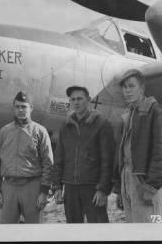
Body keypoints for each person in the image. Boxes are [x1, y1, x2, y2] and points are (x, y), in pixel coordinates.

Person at [112, 69, 162, 223]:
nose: (127, 91)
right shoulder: (129, 114)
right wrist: (120, 189)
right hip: (127, 179)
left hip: (144, 183)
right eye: (124, 87)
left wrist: (151, 186)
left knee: (149, 230)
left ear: (142, 88)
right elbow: (121, 154)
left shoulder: (155, 111)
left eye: (131, 86)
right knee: (133, 228)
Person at [53, 86, 115, 223]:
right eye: (73, 99)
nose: (76, 102)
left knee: (98, 228)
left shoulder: (102, 125)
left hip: (92, 187)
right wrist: (57, 186)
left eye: (80, 99)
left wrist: (103, 189)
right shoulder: (65, 126)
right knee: (74, 229)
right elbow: (59, 158)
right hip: (70, 187)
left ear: (88, 100)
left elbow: (108, 160)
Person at [0, 91, 53, 224]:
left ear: (31, 108)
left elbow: (48, 163)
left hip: (31, 187)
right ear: (13, 108)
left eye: (24, 107)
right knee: (6, 231)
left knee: (34, 232)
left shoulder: (40, 131)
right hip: (9, 186)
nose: (20, 110)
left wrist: (44, 191)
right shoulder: (4, 131)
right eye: (17, 107)